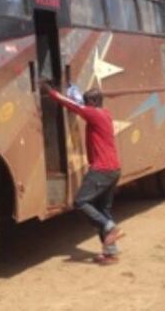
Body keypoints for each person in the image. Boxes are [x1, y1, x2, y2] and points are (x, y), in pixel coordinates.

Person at [40, 81, 124, 265]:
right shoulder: (105, 114)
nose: (85, 105)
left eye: (87, 102)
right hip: (114, 169)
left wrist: (50, 92)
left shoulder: (93, 114)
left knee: (81, 201)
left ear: (93, 103)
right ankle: (111, 253)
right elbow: (79, 103)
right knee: (103, 209)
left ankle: (109, 226)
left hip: (102, 169)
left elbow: (73, 105)